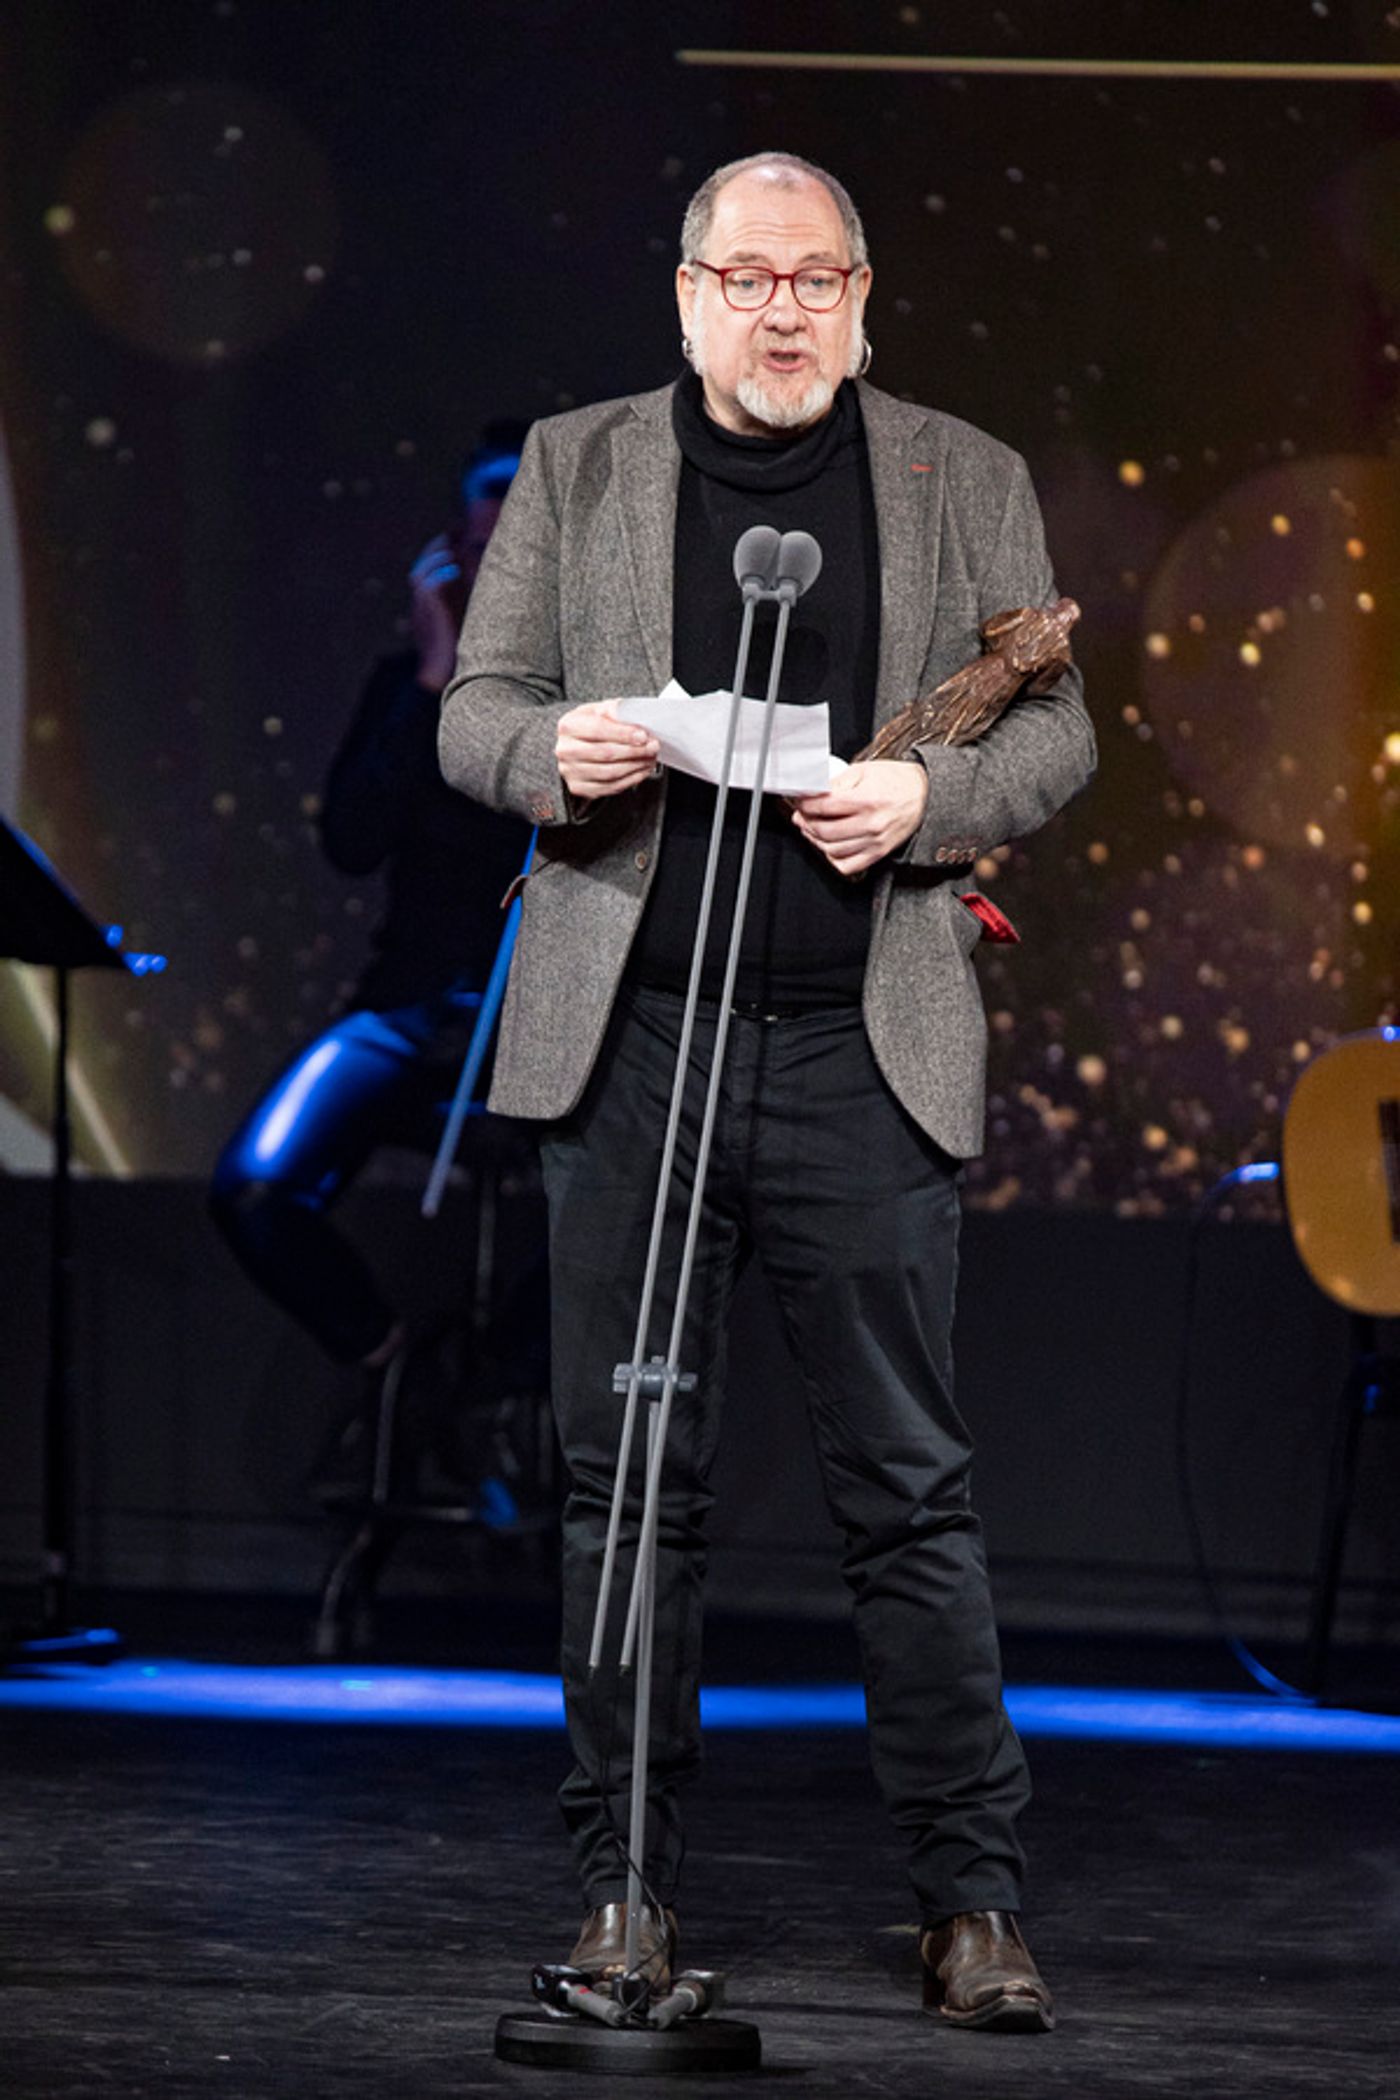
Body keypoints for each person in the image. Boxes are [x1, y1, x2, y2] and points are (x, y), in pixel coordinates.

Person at [438, 155, 1095, 2033]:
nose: (781, 308)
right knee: (628, 1482)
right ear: (686, 298)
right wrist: (547, 752)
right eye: (745, 276)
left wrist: (931, 801)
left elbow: (1057, 722)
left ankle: (972, 1904)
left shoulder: (958, 472)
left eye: (815, 278)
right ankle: (624, 1893)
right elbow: (471, 708)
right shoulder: (578, 465)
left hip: (859, 1055)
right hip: (634, 1044)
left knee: (908, 1488)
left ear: (866, 297)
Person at [210, 425, 531, 1413]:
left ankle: (507, 1409)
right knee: (254, 1191)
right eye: (481, 551)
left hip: (541, 1032)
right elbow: (351, 839)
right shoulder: (408, 686)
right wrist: (434, 683)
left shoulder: (595, 699)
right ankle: (402, 1373)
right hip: (407, 1014)